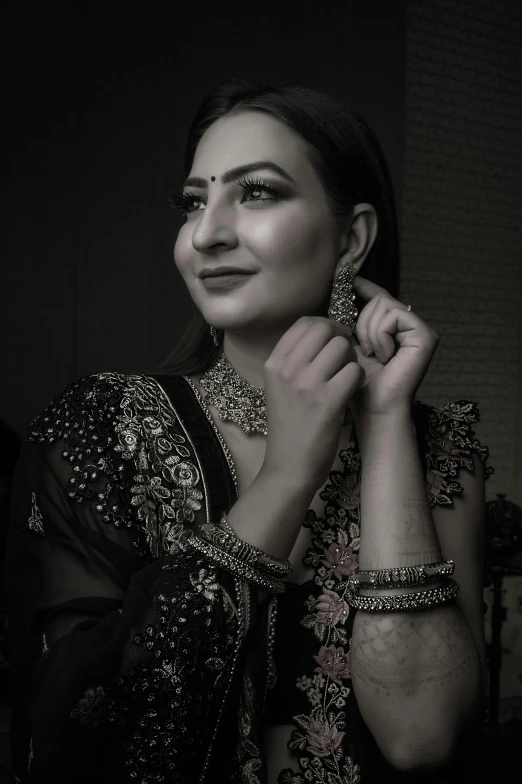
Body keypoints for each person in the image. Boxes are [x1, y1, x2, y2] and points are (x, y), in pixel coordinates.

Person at [6, 76, 494, 783]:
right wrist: (289, 475)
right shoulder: (104, 427)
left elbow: (422, 739)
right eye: (195, 201)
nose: (207, 233)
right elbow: (76, 724)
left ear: (352, 237)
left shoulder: (439, 452)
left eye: (256, 191)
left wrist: (385, 422)